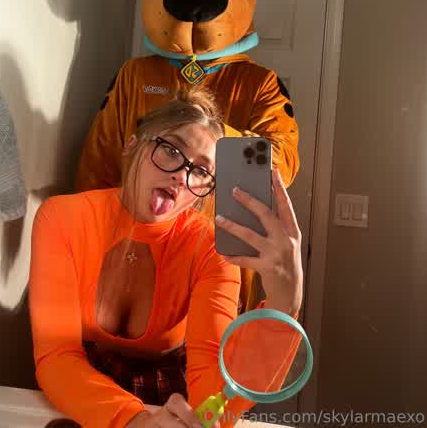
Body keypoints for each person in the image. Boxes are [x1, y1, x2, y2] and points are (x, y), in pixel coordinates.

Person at [29, 88, 303, 428]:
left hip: (173, 395)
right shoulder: (62, 217)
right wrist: (133, 420)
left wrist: (284, 302)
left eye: (200, 171)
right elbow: (57, 355)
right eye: (171, 150)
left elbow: (214, 386)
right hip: (82, 386)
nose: (181, 176)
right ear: (132, 145)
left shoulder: (209, 248)